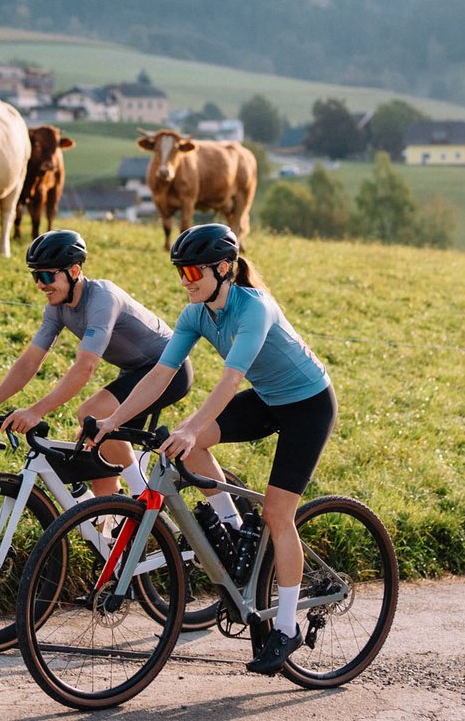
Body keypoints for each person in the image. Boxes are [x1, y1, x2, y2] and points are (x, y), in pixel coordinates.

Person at [86, 223, 336, 676]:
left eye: (193, 271)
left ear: (224, 268)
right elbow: (160, 374)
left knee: (279, 514)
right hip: (267, 399)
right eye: (180, 272)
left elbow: (230, 380)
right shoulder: (195, 314)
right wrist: (112, 421)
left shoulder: (254, 308)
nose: (186, 280)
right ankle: (237, 530)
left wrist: (192, 427)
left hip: (308, 405)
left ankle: (285, 626)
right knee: (186, 445)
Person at [0, 229, 191, 499]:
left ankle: (147, 498)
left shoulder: (103, 298)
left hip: (169, 370)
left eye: (47, 276)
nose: (40, 285)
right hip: (135, 373)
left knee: (91, 413)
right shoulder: (57, 306)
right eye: (36, 276)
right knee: (100, 471)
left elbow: (85, 368)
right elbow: (30, 360)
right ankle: (110, 535)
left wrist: (36, 411)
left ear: (75, 270)